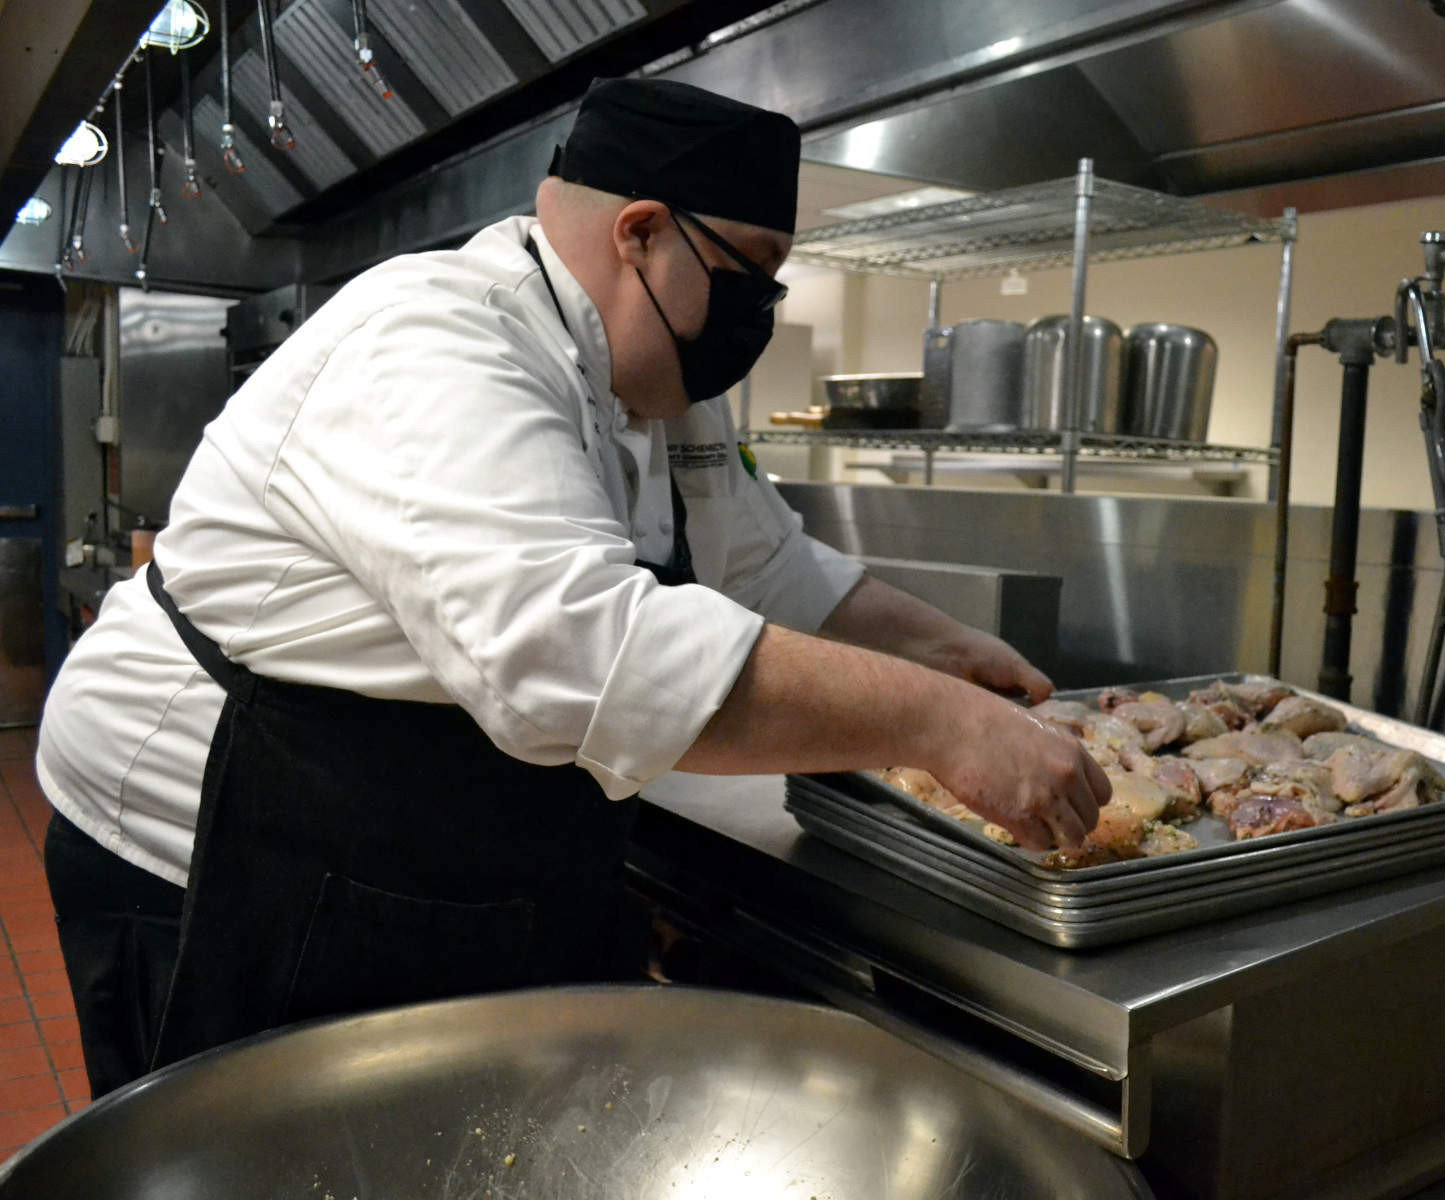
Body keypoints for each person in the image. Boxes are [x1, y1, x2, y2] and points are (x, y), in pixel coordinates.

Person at [35, 78, 1107, 1100]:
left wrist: (948, 650)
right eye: (751, 272)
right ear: (639, 232)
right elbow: (578, 653)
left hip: (417, 821)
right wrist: (937, 725)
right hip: (208, 846)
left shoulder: (658, 382)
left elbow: (771, 568)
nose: (761, 311)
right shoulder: (438, 340)